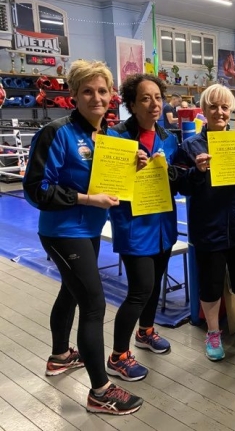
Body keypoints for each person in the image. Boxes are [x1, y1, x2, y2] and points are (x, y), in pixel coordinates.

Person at [22, 60, 143, 415]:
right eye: (87, 91)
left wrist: (130, 165)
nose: (96, 97)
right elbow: (35, 189)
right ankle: (100, 391)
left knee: (71, 293)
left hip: (88, 229)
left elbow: (108, 181)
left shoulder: (108, 137)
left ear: (112, 96)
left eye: (102, 91)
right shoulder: (57, 133)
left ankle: (60, 355)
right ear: (73, 95)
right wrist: (87, 199)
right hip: (62, 231)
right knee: (94, 304)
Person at [173, 84, 235, 361]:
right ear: (204, 110)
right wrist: (197, 172)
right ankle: (213, 331)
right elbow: (180, 186)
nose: (219, 112)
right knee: (210, 284)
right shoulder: (189, 146)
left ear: (231, 110)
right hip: (208, 228)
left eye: (224, 107)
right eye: (213, 107)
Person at [105, 74, 179, 381]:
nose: (154, 104)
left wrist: (169, 170)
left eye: (158, 97)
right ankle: (118, 356)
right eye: (146, 99)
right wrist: (127, 168)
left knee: (154, 284)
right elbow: (106, 186)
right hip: (134, 227)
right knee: (139, 290)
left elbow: (176, 181)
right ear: (132, 105)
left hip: (162, 224)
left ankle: (146, 331)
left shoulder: (169, 138)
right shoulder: (117, 138)